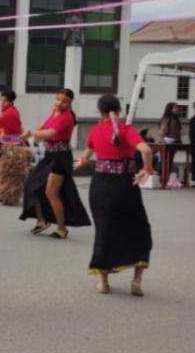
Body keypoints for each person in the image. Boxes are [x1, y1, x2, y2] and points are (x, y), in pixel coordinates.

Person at [76, 94, 153, 296]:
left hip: (100, 185)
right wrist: (147, 169)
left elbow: (86, 155)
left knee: (104, 231)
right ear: (119, 110)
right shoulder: (127, 130)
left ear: (100, 111)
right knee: (139, 229)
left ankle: (103, 282)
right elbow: (145, 149)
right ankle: (136, 281)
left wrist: (81, 163)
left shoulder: (96, 130)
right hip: (125, 185)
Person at [20, 88, 91, 239]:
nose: (60, 103)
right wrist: (30, 132)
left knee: (51, 192)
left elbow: (51, 133)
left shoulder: (67, 117)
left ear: (70, 103)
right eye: (58, 99)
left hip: (60, 157)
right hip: (49, 155)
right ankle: (42, 220)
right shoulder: (55, 112)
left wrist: (32, 133)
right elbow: (44, 127)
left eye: (64, 101)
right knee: (31, 184)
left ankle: (62, 229)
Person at [0, 89, 31, 206]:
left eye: (4, 101)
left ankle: (9, 195)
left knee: (10, 171)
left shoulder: (10, 113)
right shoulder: (9, 111)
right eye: (1, 100)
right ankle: (3, 192)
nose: (1, 103)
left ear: (10, 101)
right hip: (4, 143)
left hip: (12, 147)